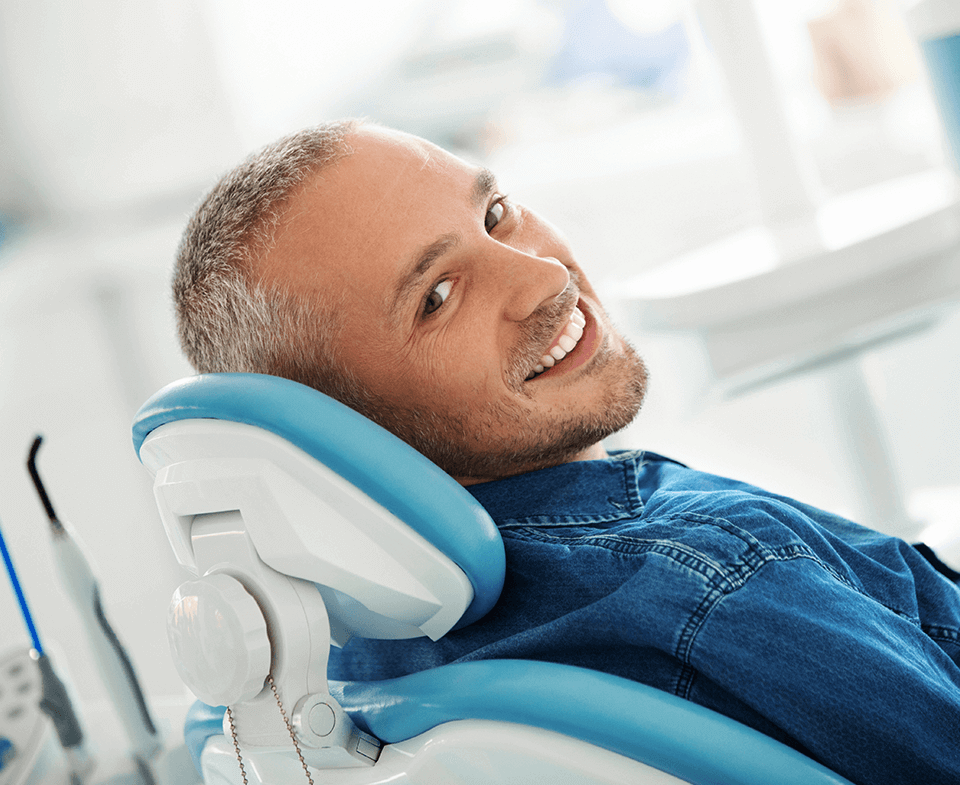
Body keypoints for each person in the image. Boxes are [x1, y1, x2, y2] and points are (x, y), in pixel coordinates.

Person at [173, 120, 960, 785]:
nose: (543, 276)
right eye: (437, 297)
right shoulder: (716, 576)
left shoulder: (335, 683)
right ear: (343, 427)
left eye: (497, 213)